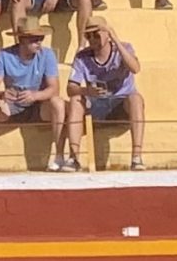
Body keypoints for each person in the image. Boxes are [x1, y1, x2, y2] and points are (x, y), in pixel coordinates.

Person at [0, 19, 62, 172]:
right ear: (22, 40)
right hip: (12, 104)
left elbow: (54, 88)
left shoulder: (47, 54)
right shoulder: (3, 55)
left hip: (38, 105)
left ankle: (59, 157)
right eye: (34, 39)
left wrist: (35, 95)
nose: (39, 43)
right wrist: (2, 94)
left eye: (40, 38)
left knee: (58, 103)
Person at [62, 21, 145, 172]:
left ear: (107, 34)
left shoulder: (124, 48)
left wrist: (116, 41)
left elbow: (135, 68)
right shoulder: (82, 57)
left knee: (136, 98)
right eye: (89, 35)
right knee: (75, 100)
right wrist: (86, 91)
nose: (92, 39)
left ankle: (136, 157)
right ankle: (73, 157)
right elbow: (70, 88)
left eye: (97, 34)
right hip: (96, 104)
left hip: (120, 103)